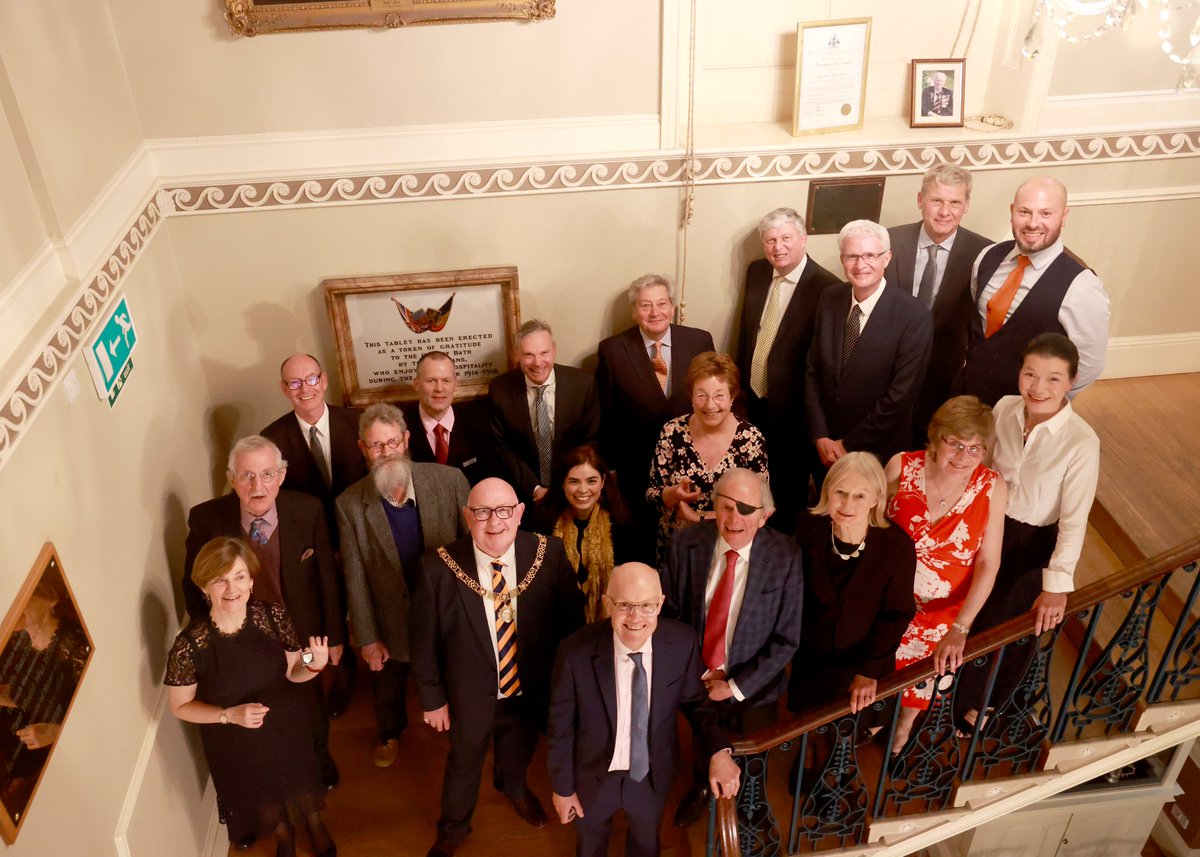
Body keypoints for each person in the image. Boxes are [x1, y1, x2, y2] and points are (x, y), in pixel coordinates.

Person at [410, 477, 584, 857]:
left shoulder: (548, 554)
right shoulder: (436, 567)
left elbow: (572, 627)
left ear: (519, 513)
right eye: (483, 512)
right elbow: (423, 643)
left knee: (518, 749)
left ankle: (514, 789)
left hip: (528, 688)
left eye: (504, 511)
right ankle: (453, 828)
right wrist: (432, 698)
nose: (494, 522)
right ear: (467, 516)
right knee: (464, 761)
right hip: (469, 694)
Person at [547, 562, 741, 857]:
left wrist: (718, 751)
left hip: (652, 776)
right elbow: (560, 728)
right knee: (590, 845)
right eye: (624, 605)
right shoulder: (574, 652)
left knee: (646, 845)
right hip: (593, 777)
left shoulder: (682, 642)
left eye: (647, 606)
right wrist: (563, 788)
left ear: (660, 604)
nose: (636, 617)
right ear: (607, 603)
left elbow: (696, 703)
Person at [182, 435, 343, 791]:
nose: (258, 486)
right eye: (247, 475)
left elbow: (328, 581)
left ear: (281, 475)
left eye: (268, 474)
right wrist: (216, 639)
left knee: (310, 703)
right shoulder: (206, 519)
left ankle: (319, 759)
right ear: (231, 478)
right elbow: (193, 587)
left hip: (300, 634)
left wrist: (333, 637)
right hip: (242, 640)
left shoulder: (307, 509)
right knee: (260, 708)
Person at [958, 334, 1100, 728]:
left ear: (1071, 381)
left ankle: (987, 704)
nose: (1039, 387)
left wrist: (1057, 584)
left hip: (1032, 544)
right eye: (1030, 374)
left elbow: (1074, 518)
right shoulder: (1005, 408)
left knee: (1003, 624)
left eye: (1053, 379)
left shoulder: (1082, 442)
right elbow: (984, 467)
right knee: (969, 609)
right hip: (989, 524)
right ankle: (948, 693)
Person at [165, 537, 337, 857]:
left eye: (239, 576)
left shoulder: (272, 617)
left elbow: (293, 670)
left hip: (286, 722)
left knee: (299, 776)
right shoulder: (189, 646)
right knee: (262, 790)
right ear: (204, 587)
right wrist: (229, 715)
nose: (232, 588)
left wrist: (315, 665)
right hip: (235, 737)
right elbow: (180, 706)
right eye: (220, 580)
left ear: (251, 581)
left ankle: (315, 824)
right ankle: (284, 837)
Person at [661, 468, 802, 826]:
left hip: (755, 686)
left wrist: (735, 686)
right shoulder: (685, 544)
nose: (734, 518)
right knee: (702, 741)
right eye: (726, 506)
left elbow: (786, 638)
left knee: (753, 756)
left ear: (765, 515)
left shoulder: (785, 555)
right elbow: (671, 618)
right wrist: (696, 674)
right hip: (699, 678)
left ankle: (750, 805)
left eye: (746, 508)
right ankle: (702, 787)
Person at [335, 404, 469, 768]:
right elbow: (355, 575)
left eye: (392, 442)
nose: (386, 452)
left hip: (446, 613)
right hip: (390, 618)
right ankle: (390, 734)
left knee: (456, 678)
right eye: (376, 445)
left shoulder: (450, 481)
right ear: (363, 448)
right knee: (387, 687)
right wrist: (367, 637)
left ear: (406, 440)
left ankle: (463, 732)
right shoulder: (349, 504)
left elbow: (471, 550)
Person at [884, 396, 1006, 753]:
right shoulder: (901, 466)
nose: (963, 457)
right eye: (955, 444)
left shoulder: (992, 487)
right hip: (889, 597)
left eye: (975, 449)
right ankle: (875, 718)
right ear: (935, 438)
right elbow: (874, 527)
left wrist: (961, 627)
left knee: (926, 672)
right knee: (875, 666)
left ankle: (905, 724)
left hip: (944, 610)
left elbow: (989, 563)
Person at [261, 352, 366, 719]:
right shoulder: (272, 439)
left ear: (324, 381)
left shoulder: (356, 422)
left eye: (310, 379)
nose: (304, 389)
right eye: (294, 382)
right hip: (308, 545)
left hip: (359, 535)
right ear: (283, 389)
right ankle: (341, 671)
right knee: (323, 609)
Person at [959, 176, 1110, 406]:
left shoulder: (1082, 286)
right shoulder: (986, 257)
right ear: (1012, 211)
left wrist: (1047, 401)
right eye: (1024, 212)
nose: (1033, 223)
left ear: (1064, 217)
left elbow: (1090, 363)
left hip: (1027, 410)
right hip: (969, 398)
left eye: (1046, 214)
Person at [787, 452, 915, 718]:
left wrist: (869, 671)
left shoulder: (896, 546)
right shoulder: (806, 530)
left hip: (863, 666)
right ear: (828, 491)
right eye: (840, 492)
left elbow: (897, 614)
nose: (847, 504)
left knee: (852, 733)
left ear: (876, 499)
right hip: (811, 663)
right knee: (805, 728)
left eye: (859, 496)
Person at [735, 208, 841, 527]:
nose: (778, 247)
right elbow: (747, 332)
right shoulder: (757, 272)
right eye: (770, 240)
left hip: (795, 412)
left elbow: (824, 361)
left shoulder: (827, 287)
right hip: (754, 403)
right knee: (753, 483)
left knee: (787, 492)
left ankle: (781, 545)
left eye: (786, 238)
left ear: (803, 239)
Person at [596, 274, 714, 557]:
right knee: (643, 548)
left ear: (672, 307)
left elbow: (714, 397)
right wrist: (610, 469)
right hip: (638, 471)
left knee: (691, 550)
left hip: (693, 465)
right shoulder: (613, 350)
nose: (655, 312)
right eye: (646, 305)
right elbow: (607, 416)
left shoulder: (699, 340)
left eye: (662, 303)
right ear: (634, 311)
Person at [805, 220, 933, 479]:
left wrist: (848, 444)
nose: (860, 265)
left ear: (887, 258)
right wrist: (820, 435)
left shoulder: (914, 315)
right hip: (825, 449)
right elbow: (812, 370)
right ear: (842, 260)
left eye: (870, 256)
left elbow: (900, 397)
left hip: (878, 450)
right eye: (852, 256)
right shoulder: (829, 298)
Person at [883, 165, 993, 441]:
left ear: (966, 205)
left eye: (954, 202)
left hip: (946, 374)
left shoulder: (984, 254)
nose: (945, 211)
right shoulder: (888, 240)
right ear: (920, 200)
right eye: (937, 201)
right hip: (887, 367)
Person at [646, 352, 769, 564]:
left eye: (719, 396)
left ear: (732, 397)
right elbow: (652, 495)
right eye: (701, 395)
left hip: (730, 549)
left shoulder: (751, 439)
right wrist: (675, 494)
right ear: (691, 397)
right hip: (677, 550)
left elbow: (760, 508)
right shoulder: (672, 432)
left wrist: (699, 518)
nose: (710, 405)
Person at [0, 576, 90, 821]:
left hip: (69, 760)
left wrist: (56, 732)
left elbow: (98, 715)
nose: (14, 605)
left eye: (25, 596)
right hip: (24, 750)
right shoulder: (16, 640)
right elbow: (24, 694)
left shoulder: (75, 647)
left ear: (51, 599)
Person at [489, 320, 601, 505]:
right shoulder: (500, 389)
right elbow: (501, 447)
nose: (538, 363)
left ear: (554, 350)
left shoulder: (583, 385)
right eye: (528, 355)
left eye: (544, 353)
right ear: (517, 354)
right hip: (523, 494)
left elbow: (591, 441)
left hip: (573, 493)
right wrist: (535, 488)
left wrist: (566, 485)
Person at [532, 445, 635, 622]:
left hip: (607, 624)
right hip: (555, 621)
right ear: (563, 483)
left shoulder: (621, 523)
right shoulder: (542, 523)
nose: (583, 490)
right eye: (574, 481)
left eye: (591, 481)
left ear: (603, 482)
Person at [403, 350, 495, 485]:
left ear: (455, 384)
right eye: (431, 381)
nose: (439, 388)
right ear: (416, 384)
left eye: (446, 380)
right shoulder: (400, 427)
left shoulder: (479, 422)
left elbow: (491, 476)